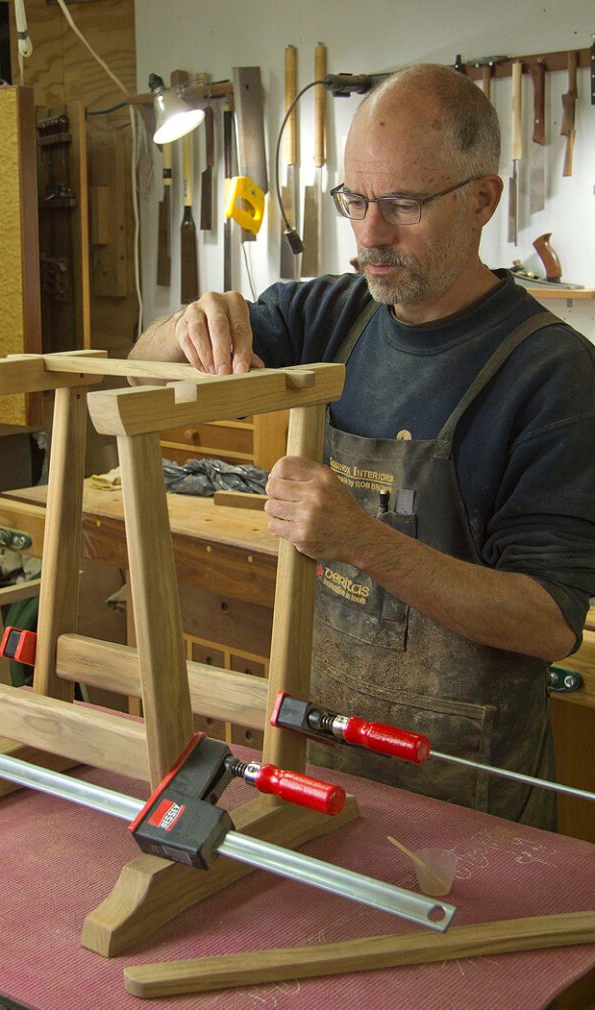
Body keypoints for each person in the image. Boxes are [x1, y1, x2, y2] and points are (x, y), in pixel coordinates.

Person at [130, 63, 595, 827]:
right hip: (325, 751)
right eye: (356, 200)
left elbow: (548, 621)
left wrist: (363, 541)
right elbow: (137, 371)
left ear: (482, 199)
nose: (371, 235)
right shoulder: (326, 316)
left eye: (403, 205)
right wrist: (186, 325)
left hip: (467, 785)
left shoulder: (552, 372)